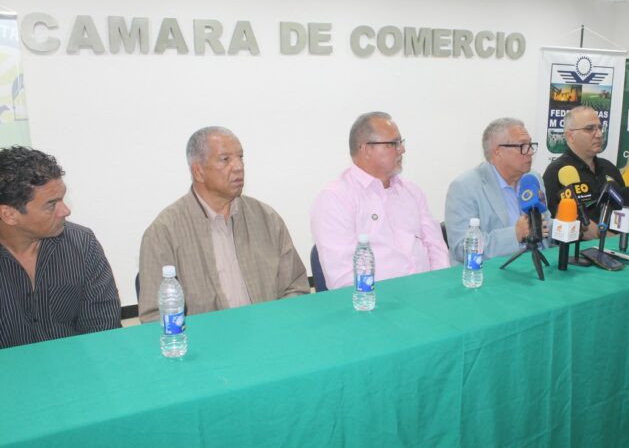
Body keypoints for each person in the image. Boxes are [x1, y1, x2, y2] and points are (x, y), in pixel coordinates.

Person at [138, 126, 309, 323]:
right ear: (198, 172)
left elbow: (296, 287)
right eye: (225, 159)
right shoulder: (163, 233)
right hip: (205, 341)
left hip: (269, 332)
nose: (238, 167)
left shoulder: (267, 219)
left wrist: (276, 324)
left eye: (240, 157)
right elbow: (154, 317)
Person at [311, 111, 449, 289]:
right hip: (376, 301)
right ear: (366, 149)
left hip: (427, 293)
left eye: (401, 142)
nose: (402, 149)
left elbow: (436, 248)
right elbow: (342, 279)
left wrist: (438, 287)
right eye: (393, 143)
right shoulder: (335, 199)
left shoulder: (411, 191)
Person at [0, 146, 120, 348]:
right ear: (9, 214)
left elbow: (103, 330)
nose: (65, 211)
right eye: (51, 204)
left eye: (62, 199)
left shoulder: (82, 244)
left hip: (76, 364)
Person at [444, 117, 548, 264]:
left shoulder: (533, 178)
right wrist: (515, 235)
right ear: (498, 152)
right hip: (491, 272)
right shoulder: (465, 187)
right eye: (523, 146)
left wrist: (564, 226)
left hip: (537, 265)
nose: (530, 151)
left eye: (531, 145)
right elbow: (462, 248)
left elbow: (545, 227)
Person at [542, 105, 624, 240]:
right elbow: (559, 222)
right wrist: (612, 240)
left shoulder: (609, 168)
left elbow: (624, 208)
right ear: (570, 136)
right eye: (590, 129)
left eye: (600, 128)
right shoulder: (556, 172)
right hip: (578, 249)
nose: (599, 134)